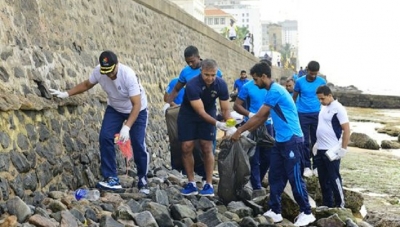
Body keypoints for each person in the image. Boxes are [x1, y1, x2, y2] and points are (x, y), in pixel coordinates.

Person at [49, 51, 150, 194]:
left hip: (136, 110)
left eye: (111, 72)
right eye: (106, 72)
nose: (109, 75)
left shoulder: (128, 75)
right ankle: (111, 178)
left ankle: (143, 179)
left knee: (138, 143)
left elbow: (137, 104)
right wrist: (66, 94)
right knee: (105, 136)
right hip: (115, 108)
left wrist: (127, 127)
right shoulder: (99, 71)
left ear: (117, 64)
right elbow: (86, 84)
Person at [231, 62, 316, 226]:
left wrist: (239, 131)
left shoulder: (275, 91)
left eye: (256, 80)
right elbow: (261, 118)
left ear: (264, 76)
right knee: (276, 176)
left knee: (294, 177)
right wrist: (247, 131)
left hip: (292, 140)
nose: (255, 83)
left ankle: (306, 212)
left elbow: (259, 116)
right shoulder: (272, 91)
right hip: (280, 141)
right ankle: (275, 210)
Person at [178, 59, 231, 197]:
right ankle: (191, 183)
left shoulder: (221, 85)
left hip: (209, 112)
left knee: (207, 147)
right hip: (189, 114)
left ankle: (208, 184)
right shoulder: (192, 85)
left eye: (213, 75)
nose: (210, 78)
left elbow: (225, 109)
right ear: (201, 71)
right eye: (207, 75)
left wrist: (230, 126)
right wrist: (218, 124)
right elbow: (200, 112)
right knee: (186, 146)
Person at [233, 79, 273, 190]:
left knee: (268, 157)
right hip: (250, 124)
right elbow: (236, 106)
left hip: (268, 125)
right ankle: (257, 187)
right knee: (253, 157)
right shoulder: (247, 87)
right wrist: (249, 114)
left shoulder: (272, 88)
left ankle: (257, 180)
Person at [315, 85, 350, 208]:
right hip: (320, 148)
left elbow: (346, 129)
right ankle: (327, 203)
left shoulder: (338, 108)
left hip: (332, 149)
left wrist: (343, 149)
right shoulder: (323, 107)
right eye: (319, 99)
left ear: (330, 95)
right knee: (323, 179)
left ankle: (340, 204)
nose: (321, 101)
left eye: (323, 98)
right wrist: (316, 143)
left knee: (334, 178)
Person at [293, 61, 326, 177]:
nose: (313, 76)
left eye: (315, 74)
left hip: (317, 114)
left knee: (317, 141)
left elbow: (326, 98)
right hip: (302, 114)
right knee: (305, 141)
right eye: (311, 73)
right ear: (307, 70)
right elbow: (294, 98)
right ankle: (306, 166)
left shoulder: (322, 82)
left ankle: (316, 166)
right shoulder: (299, 82)